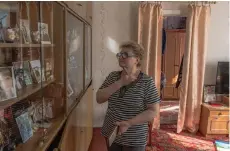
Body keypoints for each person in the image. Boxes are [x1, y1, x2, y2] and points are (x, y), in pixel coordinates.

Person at [96, 41, 160, 151]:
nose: (120, 57)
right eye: (119, 54)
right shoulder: (113, 77)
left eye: (125, 55)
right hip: (112, 134)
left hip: (134, 139)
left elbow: (153, 111)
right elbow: (99, 98)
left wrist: (129, 123)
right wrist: (120, 83)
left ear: (137, 59)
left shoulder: (146, 82)